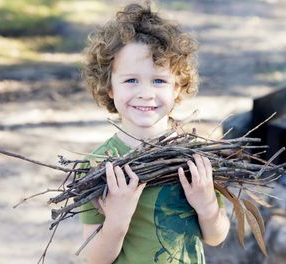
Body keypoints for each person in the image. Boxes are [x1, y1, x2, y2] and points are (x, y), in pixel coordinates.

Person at [80, 2, 230, 263]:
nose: (145, 93)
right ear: (109, 87)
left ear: (177, 87)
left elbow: (216, 236)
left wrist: (206, 205)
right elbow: (93, 259)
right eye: (131, 80)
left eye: (159, 80)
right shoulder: (99, 165)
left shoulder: (195, 158)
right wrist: (117, 219)